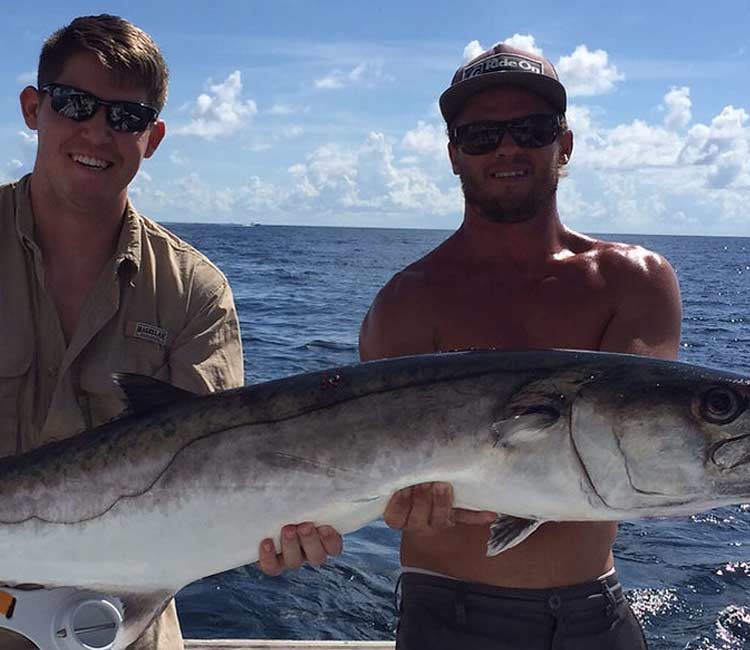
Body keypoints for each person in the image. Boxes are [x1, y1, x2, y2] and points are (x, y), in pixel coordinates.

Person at [358, 43, 682, 649]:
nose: (507, 148)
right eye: (480, 135)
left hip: (596, 611)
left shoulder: (635, 281)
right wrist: (396, 502)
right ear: (455, 156)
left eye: (529, 129)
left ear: (564, 143)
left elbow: (633, 448)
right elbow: (379, 474)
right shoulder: (406, 302)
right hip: (446, 614)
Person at [0, 14, 246, 650]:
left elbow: (213, 485)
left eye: (126, 118)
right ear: (34, 108)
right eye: (76, 104)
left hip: (126, 631)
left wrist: (286, 521)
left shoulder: (197, 292)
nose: (97, 132)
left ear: (153, 137)